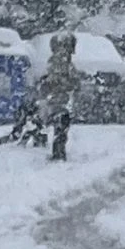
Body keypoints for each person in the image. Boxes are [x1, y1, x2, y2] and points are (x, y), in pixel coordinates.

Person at [40, 31, 81, 162]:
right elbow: (72, 81)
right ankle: (59, 153)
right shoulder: (64, 63)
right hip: (62, 101)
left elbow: (48, 81)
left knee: (58, 128)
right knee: (61, 129)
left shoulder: (52, 62)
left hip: (55, 101)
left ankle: (57, 152)